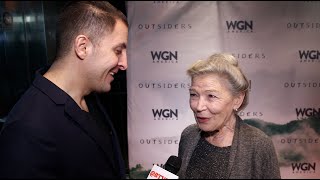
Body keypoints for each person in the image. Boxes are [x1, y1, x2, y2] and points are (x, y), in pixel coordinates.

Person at [0, 1, 128, 178]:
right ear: (83, 47)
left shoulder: (92, 96)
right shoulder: (26, 128)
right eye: (118, 50)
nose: (124, 64)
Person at [177, 53, 281, 179]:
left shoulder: (259, 145)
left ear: (237, 99)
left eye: (211, 96)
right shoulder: (189, 135)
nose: (199, 106)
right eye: (194, 94)